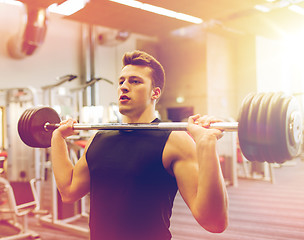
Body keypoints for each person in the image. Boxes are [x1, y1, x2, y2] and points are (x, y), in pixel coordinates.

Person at [51, 50, 228, 240]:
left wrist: (206, 144)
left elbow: (213, 222)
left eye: (135, 81)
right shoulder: (99, 138)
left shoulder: (174, 141)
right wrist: (57, 138)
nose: (124, 87)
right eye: (121, 82)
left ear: (155, 92)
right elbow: (69, 191)